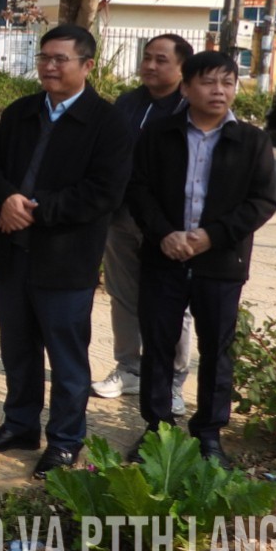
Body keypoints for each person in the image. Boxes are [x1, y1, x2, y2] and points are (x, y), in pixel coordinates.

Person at [0, 24, 131, 479]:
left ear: (87, 65)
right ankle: (20, 425)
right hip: (13, 252)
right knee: (17, 348)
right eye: (44, 57)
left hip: (65, 259)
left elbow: (104, 192)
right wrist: (5, 199)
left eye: (60, 59)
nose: (49, 66)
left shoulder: (108, 123)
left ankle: (64, 441)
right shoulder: (21, 111)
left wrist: (34, 211)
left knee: (66, 357)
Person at [126, 51, 276, 467]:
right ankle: (157, 428)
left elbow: (262, 202)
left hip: (221, 263)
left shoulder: (252, 141)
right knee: (158, 346)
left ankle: (209, 433)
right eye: (209, 82)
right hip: (164, 257)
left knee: (217, 349)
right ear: (186, 88)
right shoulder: (158, 134)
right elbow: (137, 189)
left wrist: (212, 236)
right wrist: (164, 234)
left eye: (228, 83)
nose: (219, 91)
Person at [91, 34, 194, 414]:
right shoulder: (128, 103)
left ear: (182, 67)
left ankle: (172, 381)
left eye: (161, 60)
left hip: (167, 224)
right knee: (122, 295)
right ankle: (129, 369)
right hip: (121, 216)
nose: (150, 65)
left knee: (172, 303)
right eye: (147, 57)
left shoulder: (189, 108)